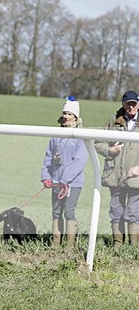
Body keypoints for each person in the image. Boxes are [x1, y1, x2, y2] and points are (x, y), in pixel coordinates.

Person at [40, 97, 88, 247]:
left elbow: (79, 161)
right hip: (55, 181)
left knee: (69, 212)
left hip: (72, 184)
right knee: (55, 212)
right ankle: (55, 244)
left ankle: (69, 246)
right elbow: (48, 157)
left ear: (75, 117)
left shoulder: (81, 137)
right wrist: (46, 177)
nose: (66, 117)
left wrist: (65, 179)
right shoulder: (56, 135)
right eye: (64, 113)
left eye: (69, 114)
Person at [94, 90, 139, 245]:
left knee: (133, 213)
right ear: (123, 104)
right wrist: (110, 151)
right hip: (115, 175)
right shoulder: (113, 121)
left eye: (134, 104)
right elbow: (98, 142)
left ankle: (133, 248)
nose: (131, 107)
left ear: (138, 105)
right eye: (128, 104)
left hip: (136, 177)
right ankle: (117, 245)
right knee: (116, 211)